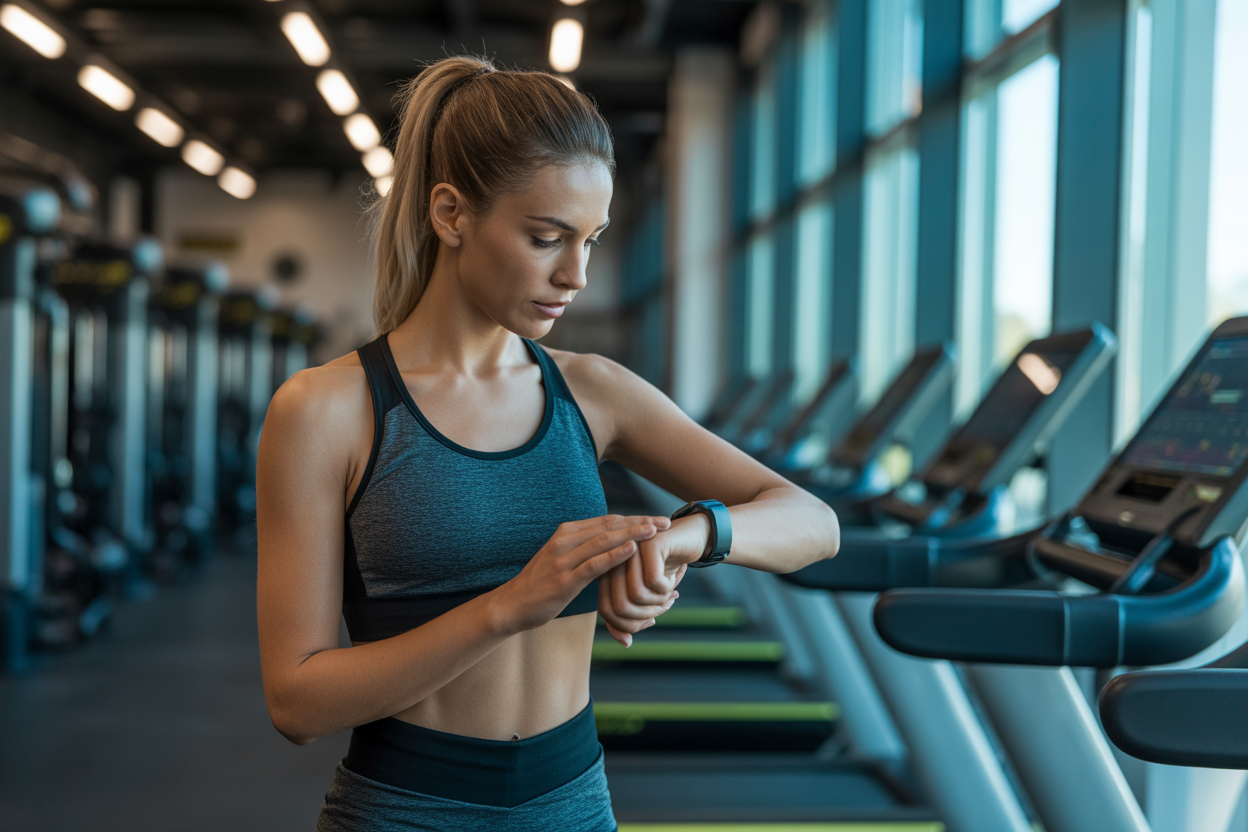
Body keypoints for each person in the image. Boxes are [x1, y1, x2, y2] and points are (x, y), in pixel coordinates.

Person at [256, 55, 840, 831]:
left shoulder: (593, 391)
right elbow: (296, 700)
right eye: (546, 238)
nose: (577, 275)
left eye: (591, 240)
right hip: (406, 809)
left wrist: (686, 539)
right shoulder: (329, 410)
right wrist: (508, 607)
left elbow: (812, 522)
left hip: (573, 805)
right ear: (451, 214)